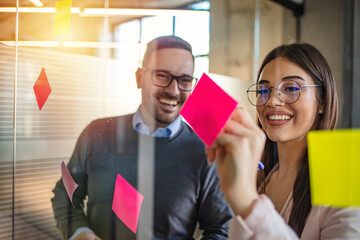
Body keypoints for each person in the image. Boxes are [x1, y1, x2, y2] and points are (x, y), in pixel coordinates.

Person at [52, 35, 232, 240]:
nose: (174, 91)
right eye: (162, 76)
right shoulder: (97, 133)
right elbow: (64, 195)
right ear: (139, 77)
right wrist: (79, 232)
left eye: (185, 80)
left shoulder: (204, 151)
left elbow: (218, 229)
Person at [207, 43, 360, 239]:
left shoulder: (345, 171)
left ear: (321, 101)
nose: (273, 101)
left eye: (290, 88)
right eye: (263, 91)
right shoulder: (263, 174)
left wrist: (249, 205)